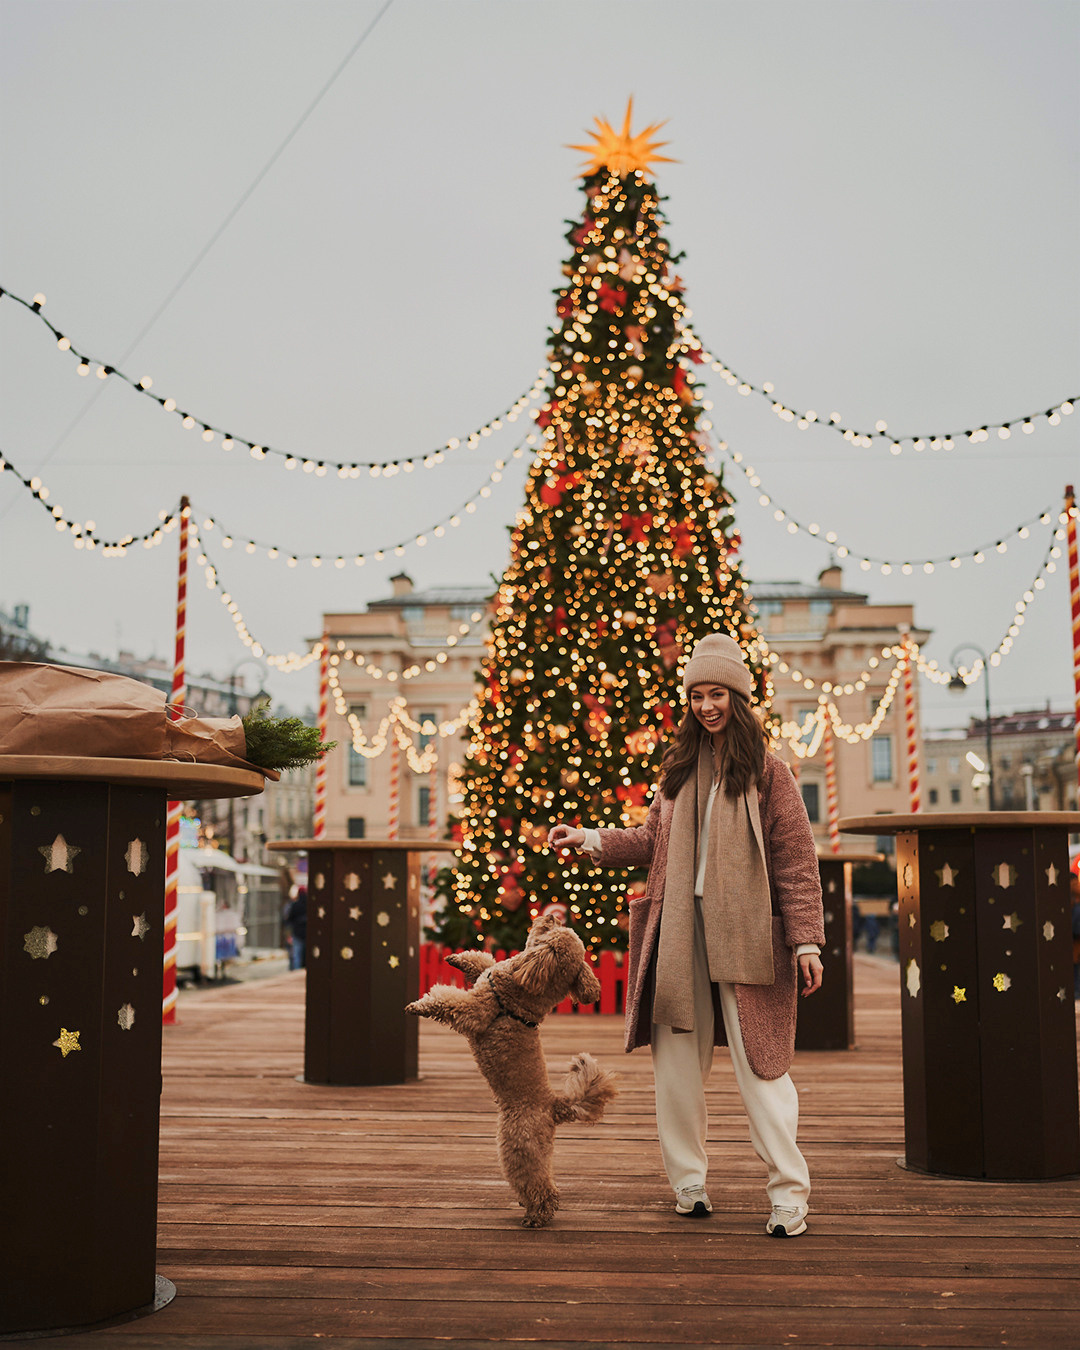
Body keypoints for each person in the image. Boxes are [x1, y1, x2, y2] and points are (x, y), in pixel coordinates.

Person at [549, 633, 825, 1238]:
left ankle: (788, 1192)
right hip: (679, 934)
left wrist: (805, 940)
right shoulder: (676, 773)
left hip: (749, 932)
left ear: (739, 698)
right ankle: (689, 1182)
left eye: (718, 694)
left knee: (764, 1068)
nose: (707, 706)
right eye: (698, 694)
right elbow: (650, 843)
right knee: (676, 1065)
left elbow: (796, 860)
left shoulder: (770, 774)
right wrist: (591, 839)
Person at [285, 886, 308, 971]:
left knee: (296, 954)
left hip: (297, 933)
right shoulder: (310, 905)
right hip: (307, 933)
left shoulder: (295, 905)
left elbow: (289, 919)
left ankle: (296, 971)